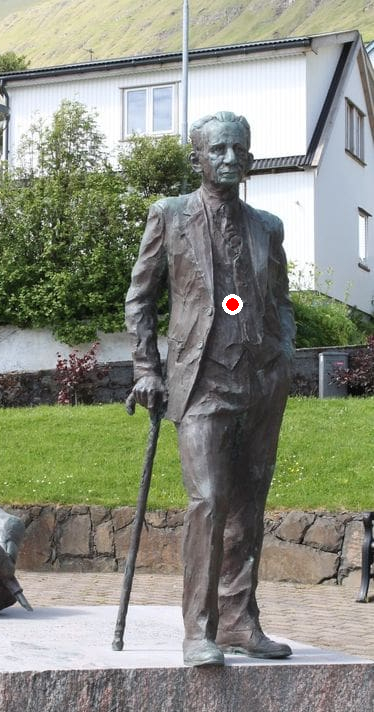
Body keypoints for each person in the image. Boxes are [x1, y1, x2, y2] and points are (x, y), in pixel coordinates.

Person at [125, 111, 296, 667]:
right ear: (198, 157)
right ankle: (199, 629)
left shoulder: (268, 226)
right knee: (208, 500)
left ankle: (239, 621)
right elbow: (140, 298)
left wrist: (283, 353)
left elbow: (280, 300)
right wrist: (147, 369)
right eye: (217, 149)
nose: (228, 158)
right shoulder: (170, 215)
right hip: (200, 381)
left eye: (237, 149)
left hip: (260, 381)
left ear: (250, 158)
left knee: (249, 503)